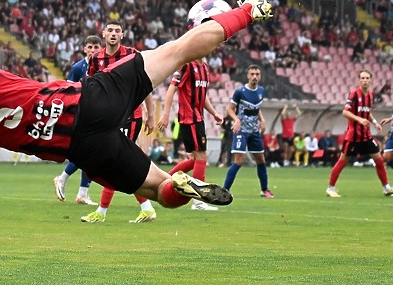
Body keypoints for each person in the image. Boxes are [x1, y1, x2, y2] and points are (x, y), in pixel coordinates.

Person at [0, 0, 273, 253]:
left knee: (158, 191)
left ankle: (180, 185)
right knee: (177, 50)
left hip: (82, 149)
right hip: (89, 102)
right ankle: (248, 10)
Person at [80, 21, 157, 224]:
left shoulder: (132, 55)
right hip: (108, 118)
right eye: (110, 30)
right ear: (104, 34)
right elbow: (91, 88)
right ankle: (146, 208)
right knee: (118, 163)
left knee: (113, 161)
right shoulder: (96, 58)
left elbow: (145, 84)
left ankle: (102, 212)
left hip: (131, 116)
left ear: (122, 35)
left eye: (117, 31)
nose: (113, 34)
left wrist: (151, 114)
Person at [158, 51, 223, 211]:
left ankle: (163, 181)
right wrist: (165, 114)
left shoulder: (205, 67)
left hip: (198, 118)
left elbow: (203, 95)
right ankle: (199, 201)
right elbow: (171, 89)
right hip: (189, 118)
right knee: (201, 156)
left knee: (196, 159)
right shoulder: (186, 65)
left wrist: (214, 113)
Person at [325, 69, 393, 198]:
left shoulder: (370, 95)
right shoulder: (354, 94)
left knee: (379, 160)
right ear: (359, 80)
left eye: (367, 78)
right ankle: (330, 188)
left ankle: (386, 188)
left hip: (366, 135)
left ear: (371, 80)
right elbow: (345, 112)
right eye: (363, 78)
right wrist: (359, 119)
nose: (365, 80)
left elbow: (366, 112)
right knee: (343, 160)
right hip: (353, 136)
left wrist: (375, 122)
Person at [53, 34, 103, 206]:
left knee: (92, 152)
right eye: (90, 47)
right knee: (89, 151)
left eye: (97, 47)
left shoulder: (103, 67)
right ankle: (65, 179)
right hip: (82, 115)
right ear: (85, 49)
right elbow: (67, 90)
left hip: (99, 114)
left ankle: (81, 192)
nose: (93, 50)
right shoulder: (77, 68)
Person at [223, 65, 275, 198]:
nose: (255, 77)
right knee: (239, 160)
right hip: (241, 130)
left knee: (261, 160)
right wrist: (236, 120)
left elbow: (256, 108)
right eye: (252, 74)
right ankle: (225, 190)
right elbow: (229, 109)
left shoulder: (261, 91)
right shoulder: (240, 92)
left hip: (254, 131)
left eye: (257, 74)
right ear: (248, 76)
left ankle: (265, 189)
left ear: (260, 76)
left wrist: (262, 120)